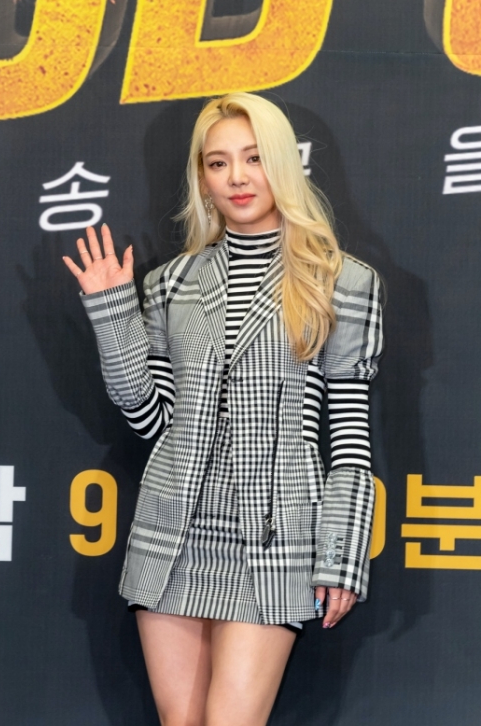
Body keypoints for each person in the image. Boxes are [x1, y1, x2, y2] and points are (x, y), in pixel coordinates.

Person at [63, 92, 383, 726]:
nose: (237, 176)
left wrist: (342, 556)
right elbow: (151, 419)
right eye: (218, 162)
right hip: (173, 532)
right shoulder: (172, 282)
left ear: (283, 165)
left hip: (274, 536)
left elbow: (349, 436)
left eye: (254, 158)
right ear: (202, 179)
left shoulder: (342, 281)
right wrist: (112, 314)